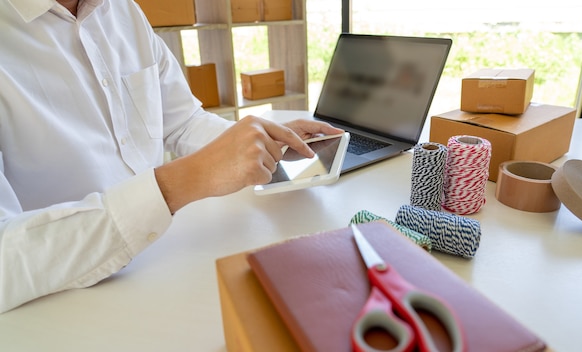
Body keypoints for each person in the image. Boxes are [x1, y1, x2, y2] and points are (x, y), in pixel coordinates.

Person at [0, 0, 342, 313]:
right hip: (62, 304)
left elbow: (182, 121)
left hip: (169, 259)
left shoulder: (123, 12)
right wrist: (178, 184)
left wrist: (262, 141)